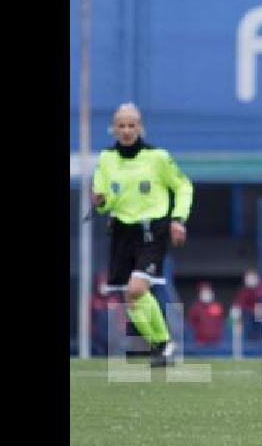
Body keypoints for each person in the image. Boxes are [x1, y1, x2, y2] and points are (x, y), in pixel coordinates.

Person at [91, 103, 193, 367]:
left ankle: (164, 343)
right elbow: (105, 200)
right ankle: (162, 346)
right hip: (122, 231)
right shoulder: (106, 159)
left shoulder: (157, 157)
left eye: (131, 125)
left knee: (137, 289)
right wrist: (100, 201)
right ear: (113, 129)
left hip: (151, 230)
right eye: (121, 125)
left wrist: (178, 219)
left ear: (140, 127)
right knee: (129, 296)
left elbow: (183, 185)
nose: (126, 130)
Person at [231, 268, 262, 341]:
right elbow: (237, 306)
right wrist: (238, 320)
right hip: (250, 321)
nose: (250, 280)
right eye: (248, 278)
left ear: (257, 278)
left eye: (252, 277)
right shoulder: (243, 292)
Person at [187, 281, 226, 347]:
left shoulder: (217, 306)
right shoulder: (195, 308)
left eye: (208, 292)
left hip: (216, 342)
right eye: (204, 293)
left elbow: (221, 322)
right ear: (200, 294)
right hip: (200, 342)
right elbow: (191, 324)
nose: (206, 295)